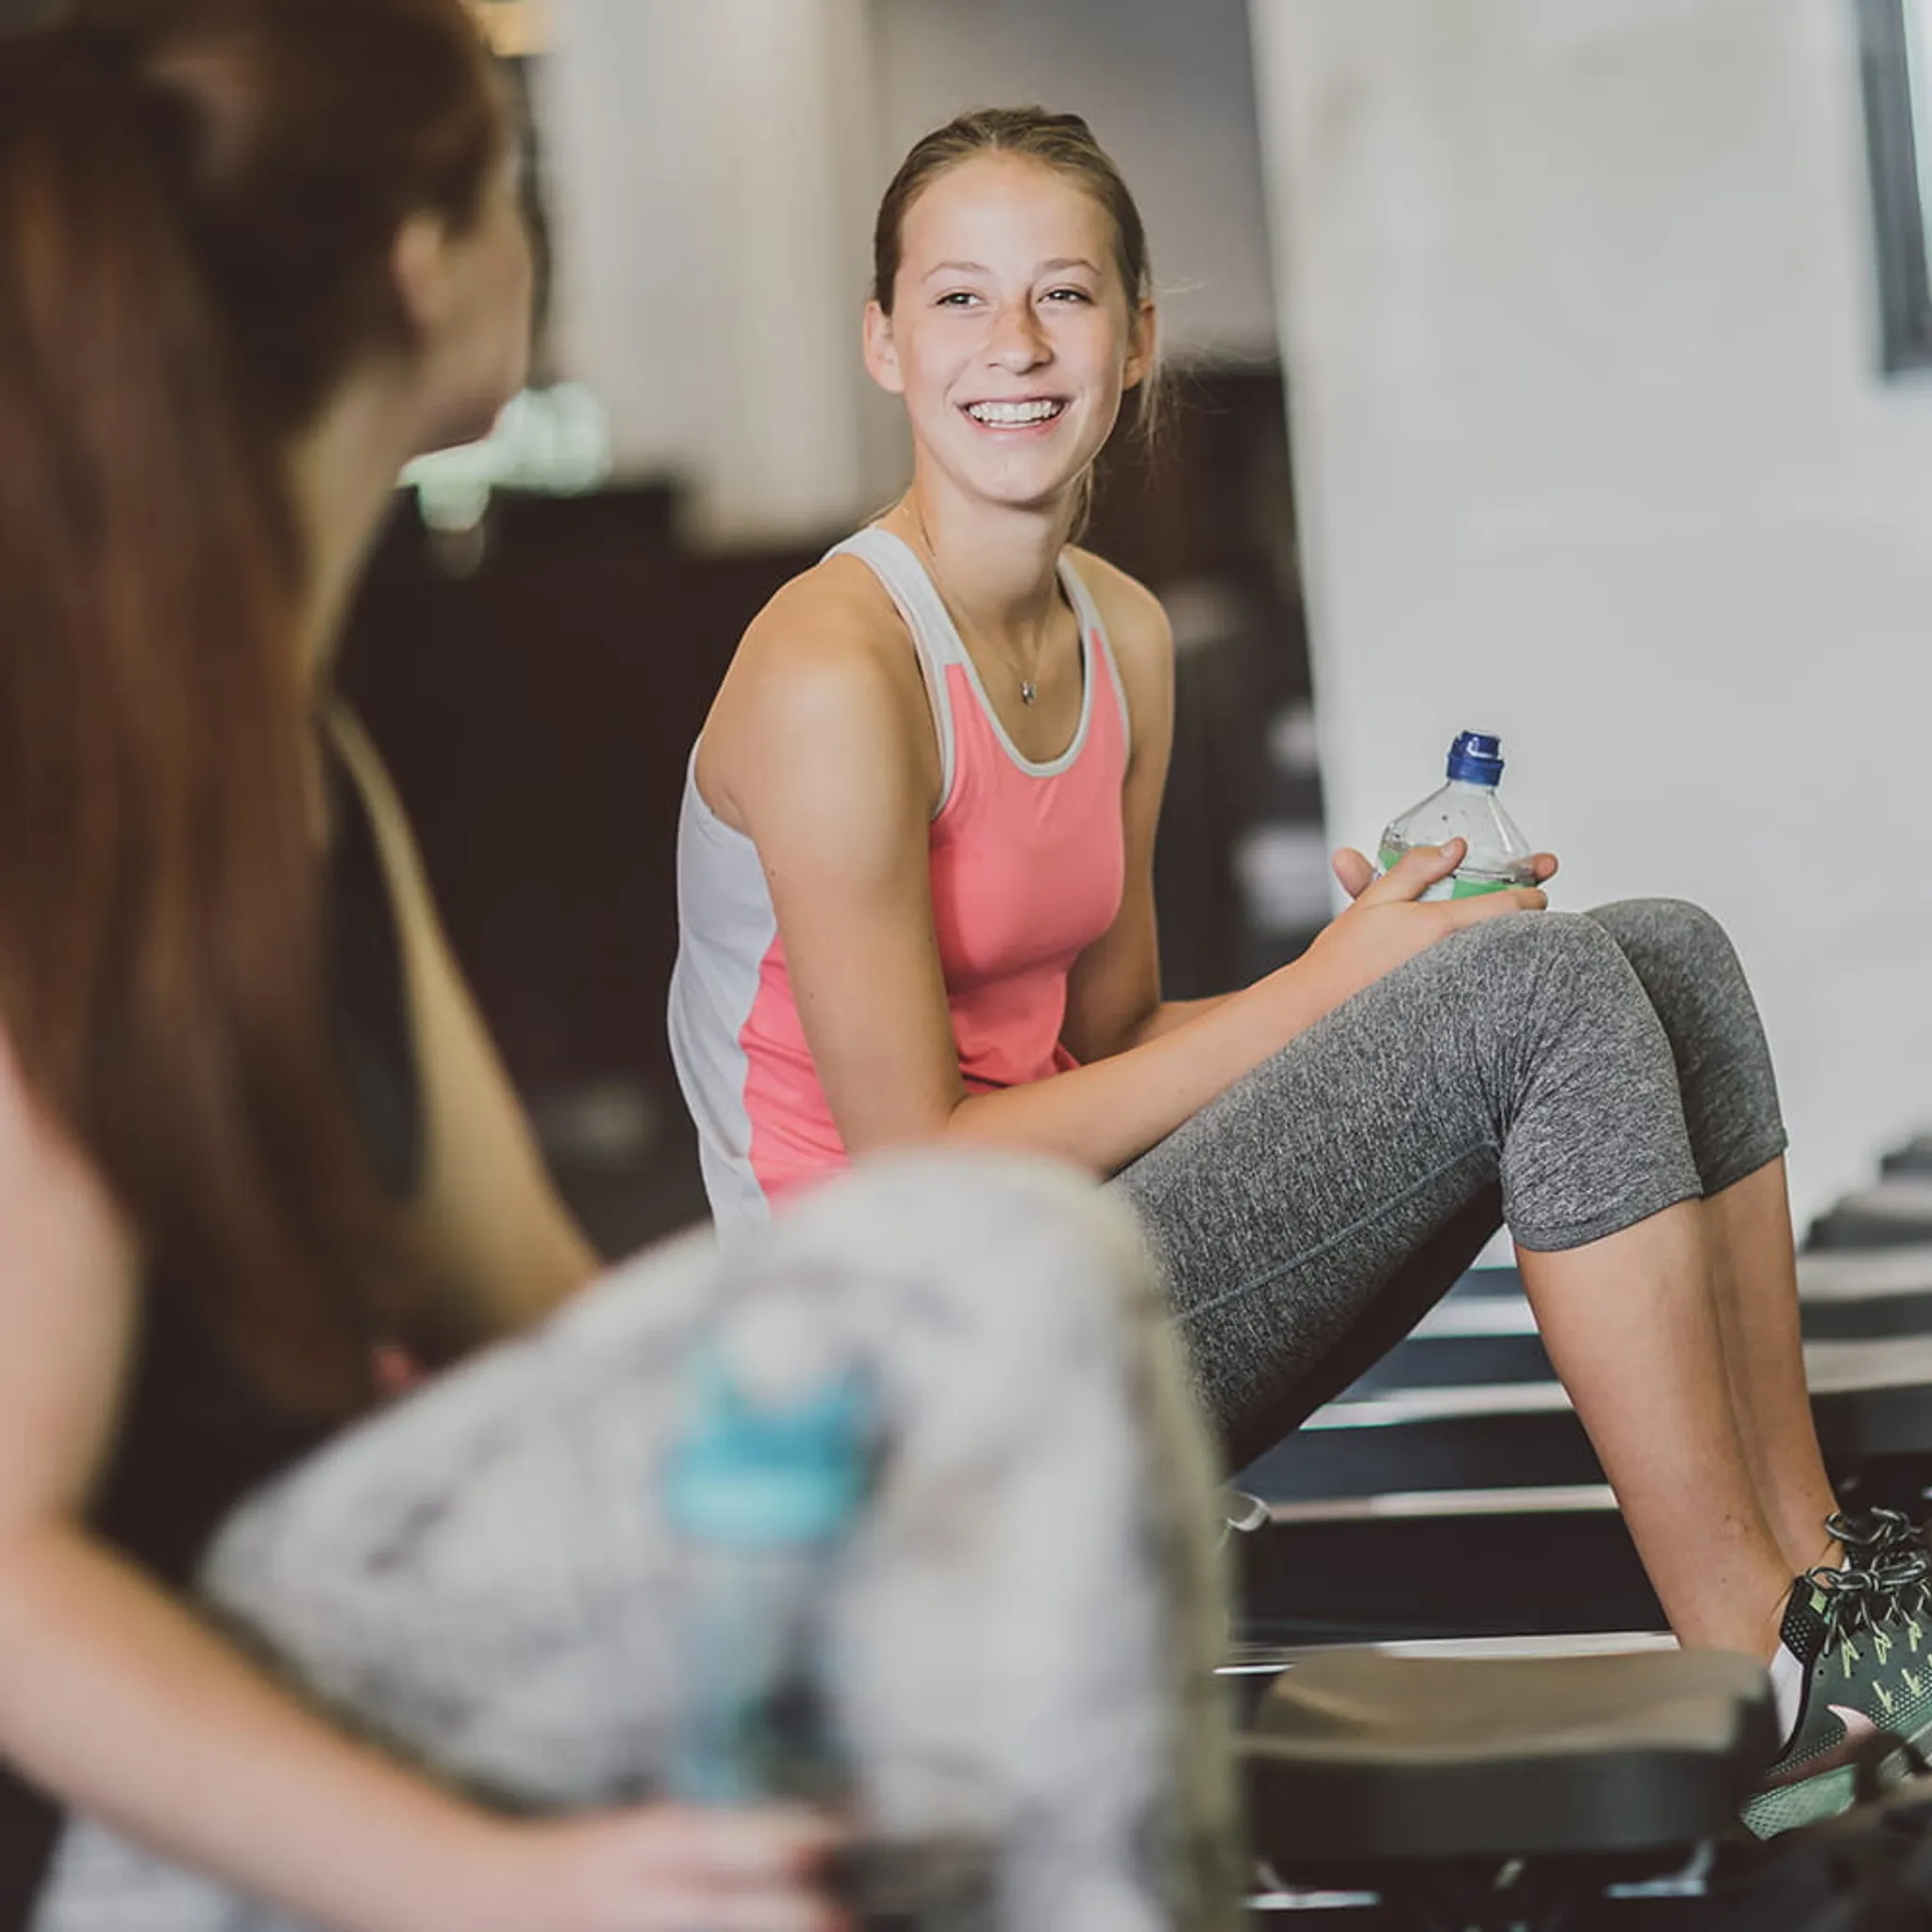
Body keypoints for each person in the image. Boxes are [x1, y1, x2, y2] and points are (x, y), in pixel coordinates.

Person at [0, 14, 1234, 1927]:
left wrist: (830, 1459)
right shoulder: (98, 791)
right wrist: (501, 1883)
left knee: (972, 1315)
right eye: (515, 184)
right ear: (430, 264)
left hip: (381, 1588)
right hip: (180, 1786)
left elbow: (547, 1324)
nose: (537, 238)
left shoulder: (298, 770)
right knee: (1009, 1260)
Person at [668, 104, 1932, 1834]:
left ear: (1136, 340)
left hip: (1064, 1273)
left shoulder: (1118, 635)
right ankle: (1757, 1680)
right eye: (959, 302)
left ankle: (1821, 1586)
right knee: (1530, 1000)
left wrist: (1392, 958)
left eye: (1063, 297)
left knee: (1656, 957)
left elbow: (1104, 1058)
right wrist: (1349, 988)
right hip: (893, 1392)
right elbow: (916, 1166)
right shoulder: (833, 670)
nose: (1014, 350)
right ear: (885, 340)